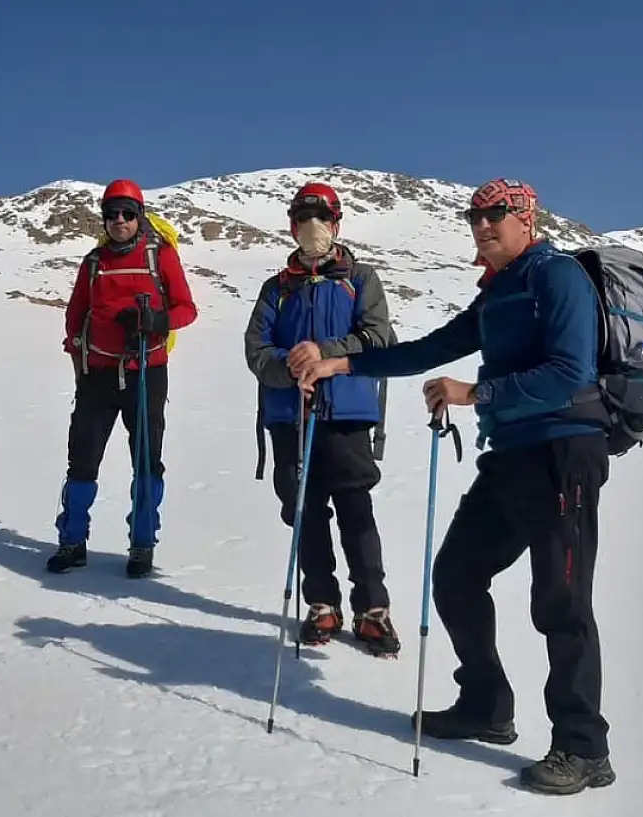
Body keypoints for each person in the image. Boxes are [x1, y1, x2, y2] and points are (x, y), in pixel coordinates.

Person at [297, 178, 616, 796]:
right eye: (474, 215)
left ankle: (584, 748)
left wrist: (475, 394)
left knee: (562, 599)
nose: (482, 224)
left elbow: (568, 372)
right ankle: (486, 707)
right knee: (456, 576)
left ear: (526, 218)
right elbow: (432, 348)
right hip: (512, 458)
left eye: (496, 214)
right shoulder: (498, 294)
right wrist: (343, 363)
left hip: (564, 452)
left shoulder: (557, 276)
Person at [244, 182, 401, 657]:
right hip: (291, 415)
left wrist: (325, 354)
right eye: (303, 219)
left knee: (355, 509)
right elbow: (256, 348)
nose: (312, 228)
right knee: (305, 512)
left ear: (336, 224)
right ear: (292, 226)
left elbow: (377, 338)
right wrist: (288, 366)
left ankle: (372, 608)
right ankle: (321, 603)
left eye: (321, 218)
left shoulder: (361, 278)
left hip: (347, 411)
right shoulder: (278, 288)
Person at [49, 180, 198, 579]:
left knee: (146, 460)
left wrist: (157, 321)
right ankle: (72, 541)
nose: (119, 221)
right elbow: (76, 313)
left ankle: (142, 543)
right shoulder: (93, 262)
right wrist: (78, 352)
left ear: (140, 216)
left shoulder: (159, 257)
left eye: (127, 214)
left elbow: (187, 308)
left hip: (146, 370)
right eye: (112, 213)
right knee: (82, 458)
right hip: (97, 373)